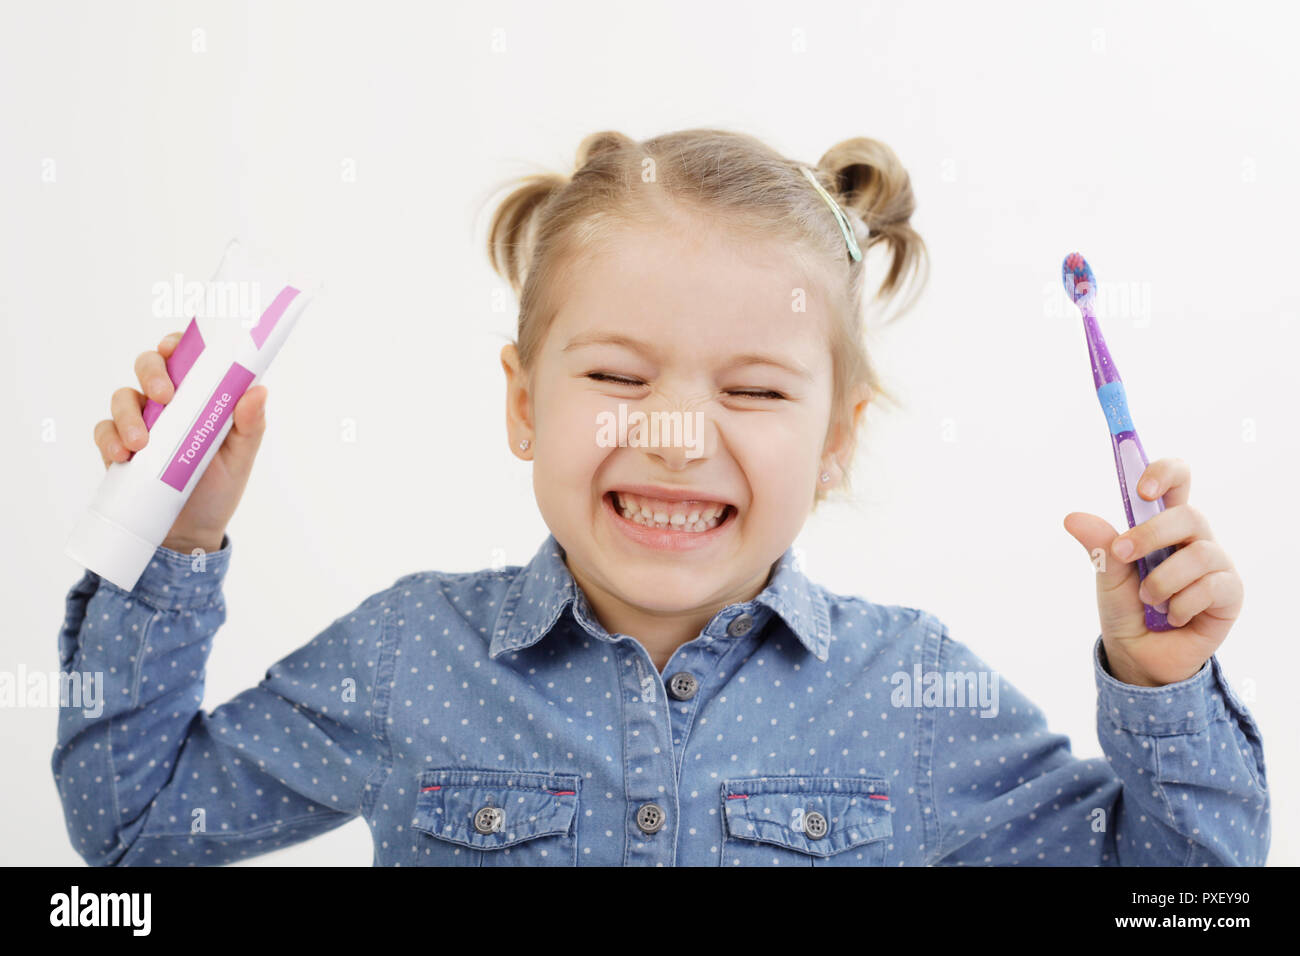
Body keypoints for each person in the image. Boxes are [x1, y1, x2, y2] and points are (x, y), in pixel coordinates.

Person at [53, 128, 1267, 866]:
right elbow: (133, 831)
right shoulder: (409, 652)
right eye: (620, 376)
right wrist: (180, 533)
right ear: (524, 403)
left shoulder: (909, 690)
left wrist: (1164, 690)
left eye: (752, 390)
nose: (680, 435)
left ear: (836, 442)